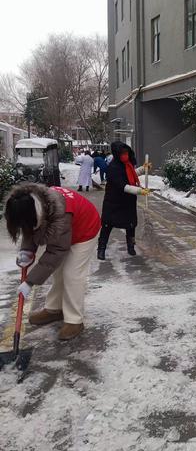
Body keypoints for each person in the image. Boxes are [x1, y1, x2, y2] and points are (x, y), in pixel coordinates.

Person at [4, 183, 101, 340]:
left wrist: (30, 282)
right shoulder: (26, 202)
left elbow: (56, 251)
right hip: (66, 230)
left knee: (72, 274)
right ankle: (54, 309)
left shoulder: (60, 215)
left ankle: (75, 320)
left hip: (85, 229)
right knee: (58, 273)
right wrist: (26, 250)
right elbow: (30, 228)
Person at [97, 141, 151, 260]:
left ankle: (130, 246)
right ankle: (101, 249)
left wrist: (143, 168)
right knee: (107, 225)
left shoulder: (128, 164)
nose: (125, 155)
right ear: (117, 154)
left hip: (128, 202)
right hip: (114, 202)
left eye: (126, 152)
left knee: (130, 225)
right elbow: (123, 185)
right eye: (122, 153)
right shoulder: (113, 168)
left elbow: (131, 175)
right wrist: (139, 191)